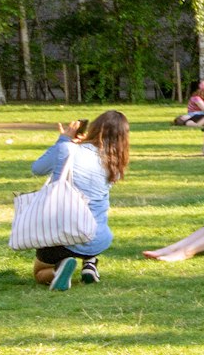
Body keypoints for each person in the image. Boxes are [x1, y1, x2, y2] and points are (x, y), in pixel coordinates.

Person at [28, 113, 128, 289]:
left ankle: (58, 271)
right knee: (92, 215)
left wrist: (63, 140)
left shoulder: (66, 149)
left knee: (39, 272)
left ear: (94, 128)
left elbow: (37, 168)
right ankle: (89, 263)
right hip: (98, 237)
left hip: (62, 234)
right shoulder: (115, 163)